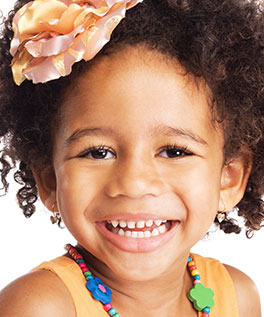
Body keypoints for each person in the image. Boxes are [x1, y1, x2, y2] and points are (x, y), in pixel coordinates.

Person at [0, 0, 263, 316]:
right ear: (49, 180)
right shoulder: (39, 307)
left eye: (174, 151)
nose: (134, 184)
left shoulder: (237, 296)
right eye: (98, 152)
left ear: (229, 178)